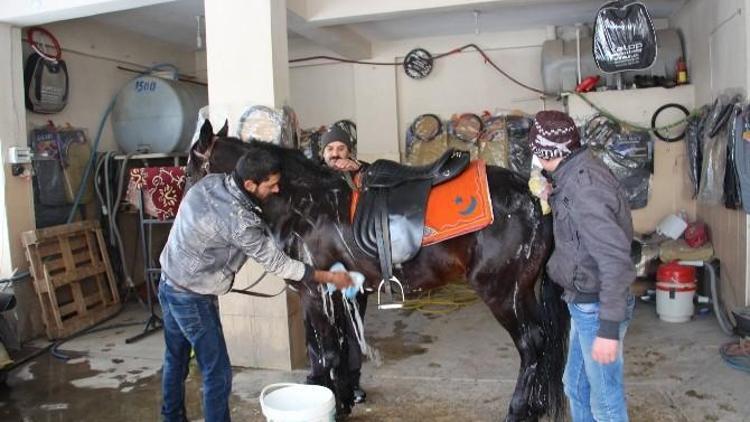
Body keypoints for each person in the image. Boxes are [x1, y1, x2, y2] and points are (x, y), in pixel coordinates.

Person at [158, 146, 352, 422]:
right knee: (217, 372)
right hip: (192, 298)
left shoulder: (211, 182)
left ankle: (171, 418)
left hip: (167, 282)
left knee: (174, 359)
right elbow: (279, 264)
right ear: (249, 183)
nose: (275, 191)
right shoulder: (240, 221)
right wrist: (330, 277)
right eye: (270, 186)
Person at [529, 110, 635, 422]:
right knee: (574, 385)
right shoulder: (572, 172)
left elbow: (616, 260)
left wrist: (608, 329)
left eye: (536, 149)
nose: (533, 156)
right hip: (582, 302)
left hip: (597, 308)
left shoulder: (584, 187)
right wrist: (551, 190)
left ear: (548, 151)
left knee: (606, 402)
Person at [304, 125, 368, 404]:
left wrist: (355, 171)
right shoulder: (310, 178)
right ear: (322, 153)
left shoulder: (362, 174)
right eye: (330, 149)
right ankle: (318, 379)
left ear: (350, 151)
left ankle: (351, 383)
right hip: (318, 269)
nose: (335, 153)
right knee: (316, 324)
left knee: (352, 326)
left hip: (354, 268)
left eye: (340, 148)